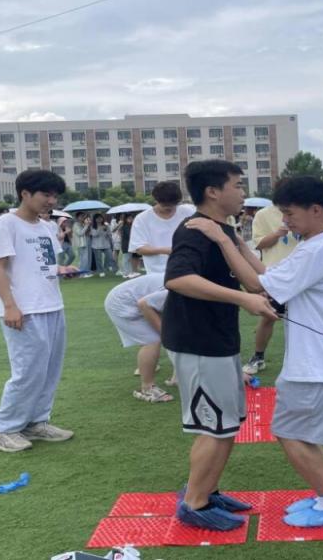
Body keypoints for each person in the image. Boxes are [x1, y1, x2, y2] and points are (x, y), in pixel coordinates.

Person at [186, 175, 323, 528]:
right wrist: (239, 243)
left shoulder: (319, 248)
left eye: (290, 214)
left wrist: (221, 239)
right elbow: (268, 274)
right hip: (316, 358)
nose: (285, 222)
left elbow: (255, 284)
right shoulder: (316, 244)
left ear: (316, 210)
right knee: (300, 433)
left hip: (315, 362)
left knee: (290, 432)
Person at [161, 160, 277, 531]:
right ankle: (194, 503)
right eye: (237, 185)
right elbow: (177, 279)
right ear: (213, 191)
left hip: (218, 339)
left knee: (227, 425)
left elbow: (255, 281)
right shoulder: (195, 230)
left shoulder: (222, 229)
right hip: (197, 341)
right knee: (213, 426)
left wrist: (235, 249)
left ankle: (207, 491)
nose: (243, 193)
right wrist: (241, 299)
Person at [0, 169, 78, 453]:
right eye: (46, 195)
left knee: (49, 370)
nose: (51, 201)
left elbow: (43, 264)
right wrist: (10, 306)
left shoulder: (46, 227)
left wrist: (62, 269)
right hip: (23, 309)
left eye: (55, 196)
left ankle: (36, 421)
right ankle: (3, 429)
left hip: (52, 304)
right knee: (27, 371)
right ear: (25, 194)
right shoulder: (5, 224)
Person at [243, 203, 302, 375]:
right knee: (269, 316)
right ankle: (258, 357)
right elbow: (259, 244)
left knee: (302, 318)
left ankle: (298, 360)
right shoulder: (263, 214)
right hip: (274, 274)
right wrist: (276, 234)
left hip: (301, 273)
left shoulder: (302, 208)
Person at [104, 273, 175, 403]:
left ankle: (176, 378)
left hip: (135, 299)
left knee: (173, 334)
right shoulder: (182, 288)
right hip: (122, 302)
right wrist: (164, 333)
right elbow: (144, 304)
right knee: (152, 341)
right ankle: (147, 388)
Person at [130, 181, 196, 275]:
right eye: (165, 205)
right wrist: (165, 250)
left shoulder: (189, 212)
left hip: (189, 269)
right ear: (156, 200)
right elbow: (139, 248)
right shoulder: (142, 219)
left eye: (173, 204)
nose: (169, 208)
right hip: (157, 272)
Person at [89, 213, 112, 277]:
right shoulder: (92, 226)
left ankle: (105, 267)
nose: (99, 219)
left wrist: (107, 230)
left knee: (109, 256)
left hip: (106, 244)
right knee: (98, 259)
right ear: (95, 219)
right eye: (98, 218)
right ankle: (101, 271)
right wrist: (100, 228)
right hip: (96, 245)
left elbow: (109, 234)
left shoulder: (106, 225)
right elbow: (94, 234)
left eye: (101, 218)